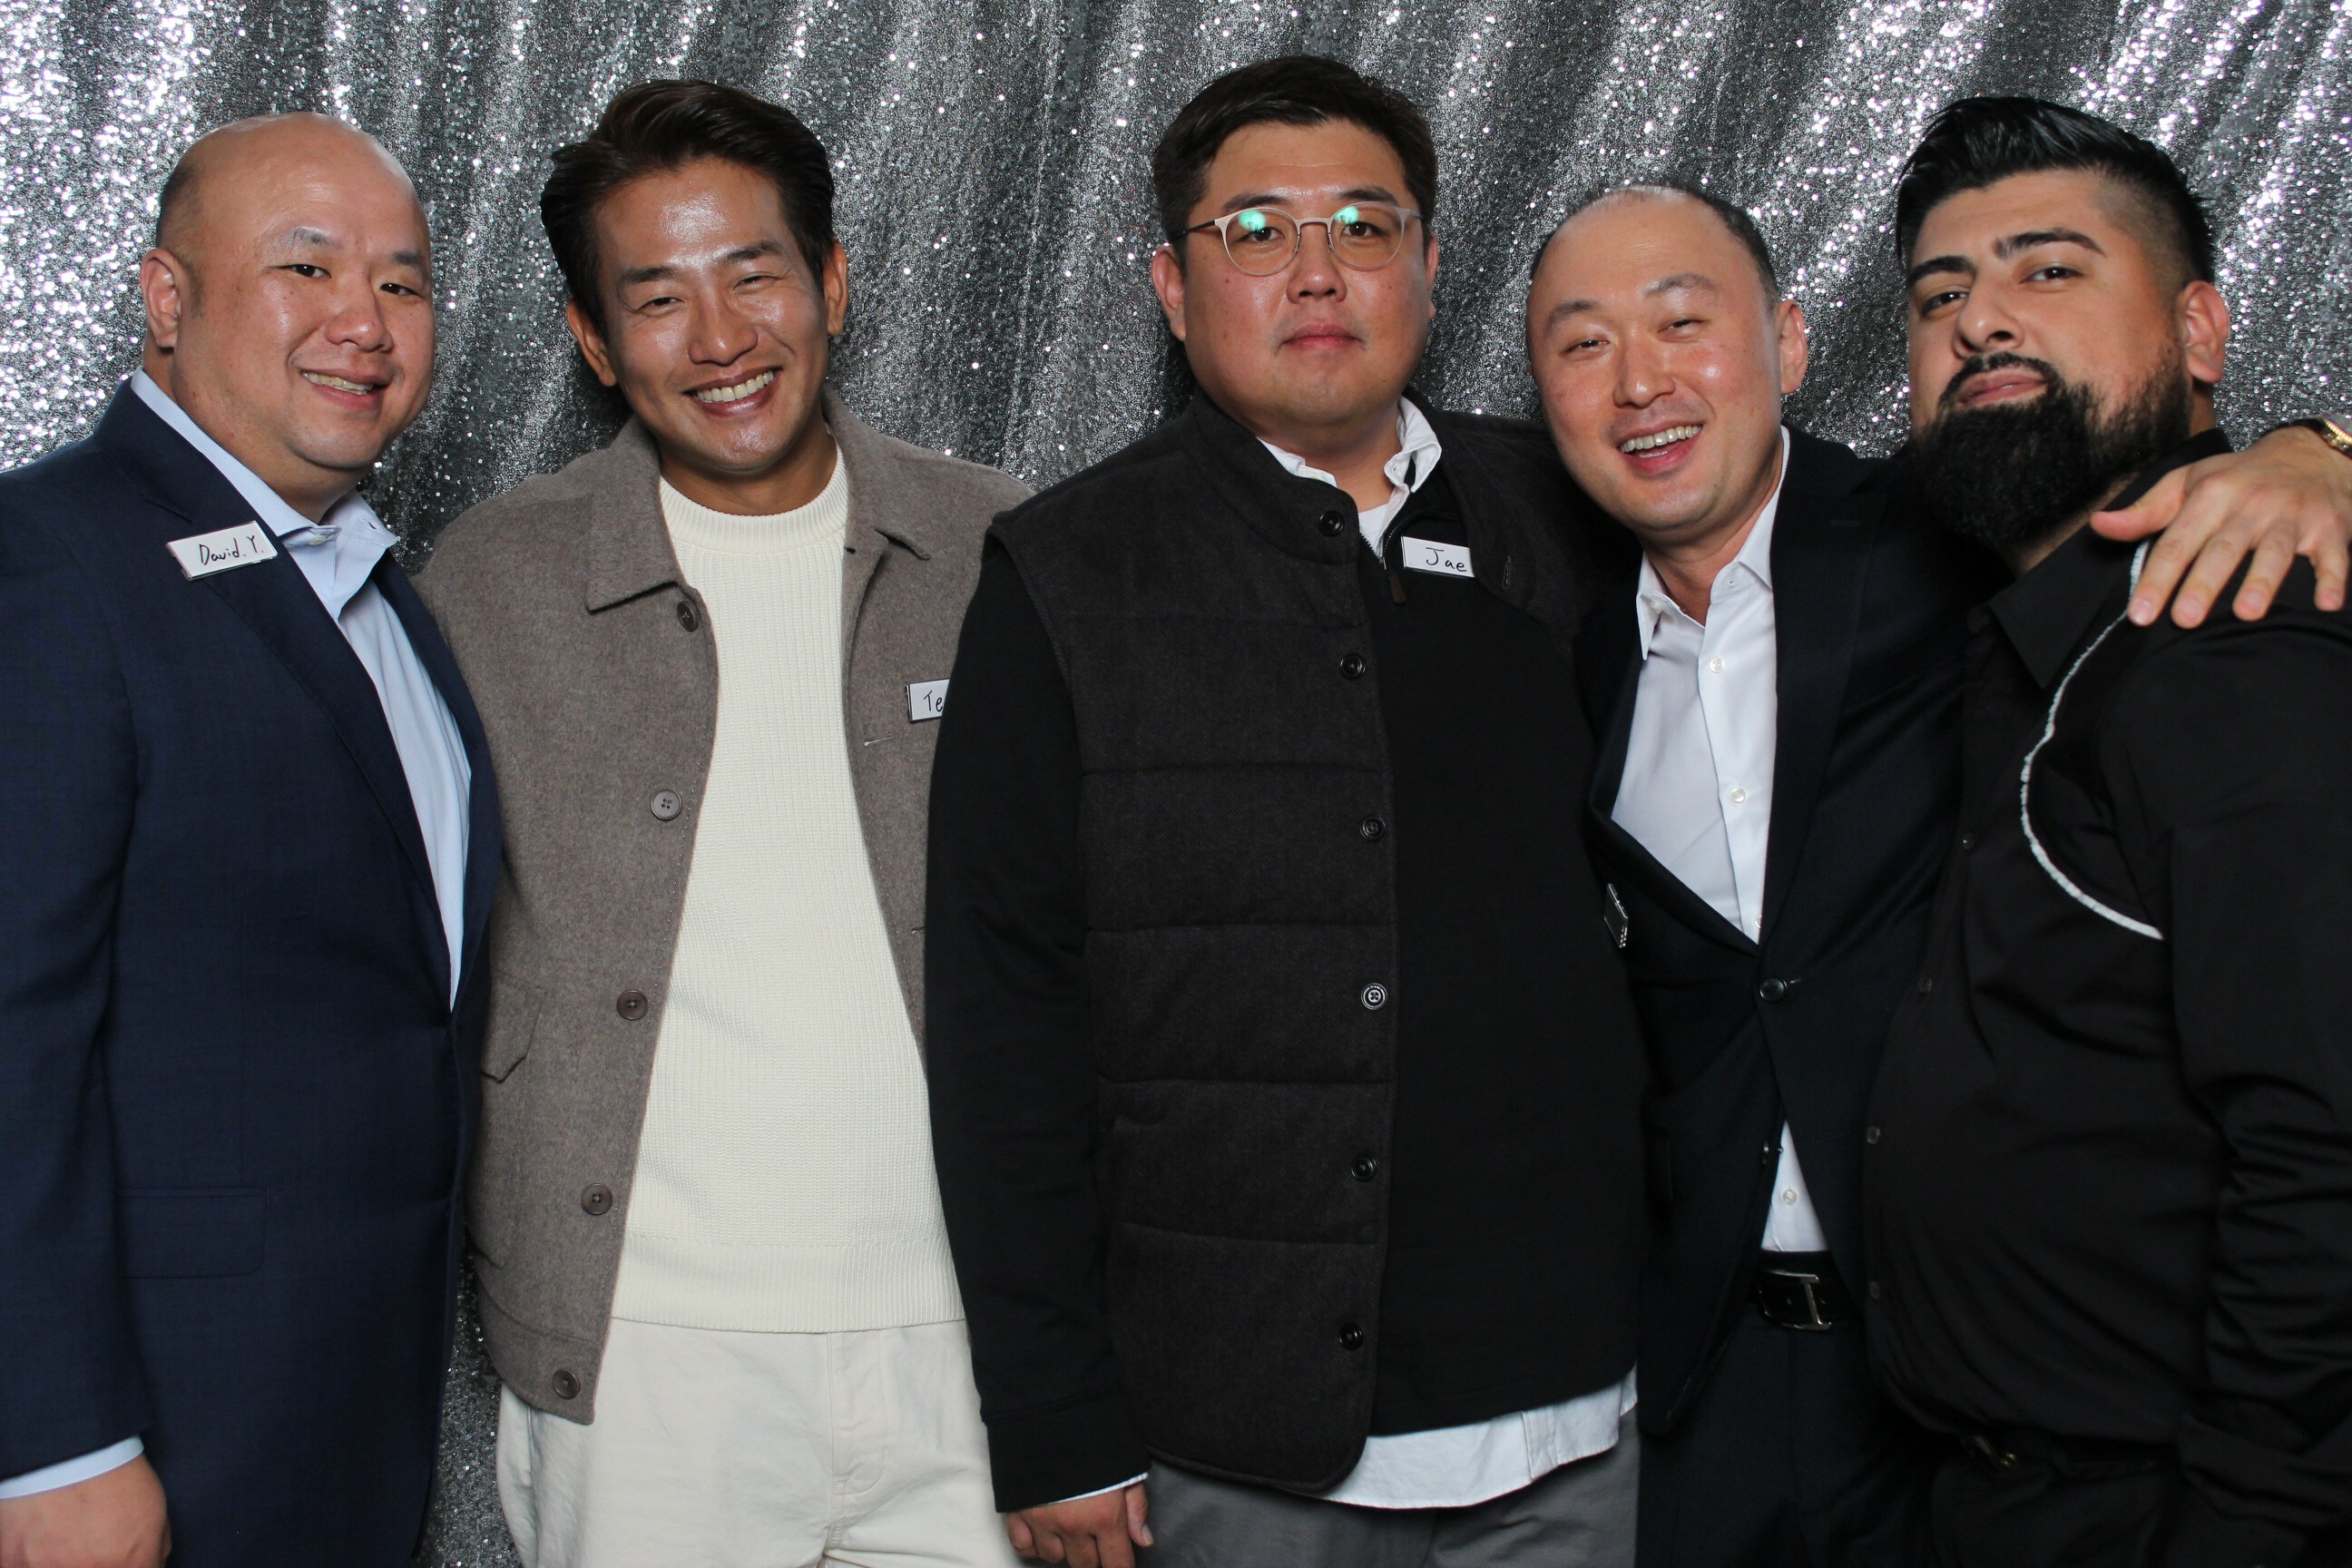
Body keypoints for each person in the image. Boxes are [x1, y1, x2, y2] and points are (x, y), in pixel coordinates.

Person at [1528, 176, 2352, 1567]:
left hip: (1958, 1398)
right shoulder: (1586, 645)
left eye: (1682, 321)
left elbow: (2130, 460)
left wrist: (2319, 449)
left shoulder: (1953, 528)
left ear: (1792, 343)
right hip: (1715, 1377)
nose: (1640, 381)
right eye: (1583, 342)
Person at [926, 54, 1647, 1568]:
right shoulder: (1067, 573)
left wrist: (2217, 476)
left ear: (1431, 267)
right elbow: (1003, 1025)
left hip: (1573, 1407)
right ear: (1172, 289)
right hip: (1237, 1432)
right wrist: (1053, 1418)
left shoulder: (1572, 513)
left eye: (1365, 228)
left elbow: (1803, 528)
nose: (1317, 271)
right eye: (1255, 231)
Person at [415, 80, 1030, 1568]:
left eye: (755, 275)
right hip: (643, 1359)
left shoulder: (1002, 548)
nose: (720, 337)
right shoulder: (495, 582)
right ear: (592, 338)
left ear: (831, 284)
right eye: (657, 297)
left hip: (981, 1337)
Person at [0, 114, 496, 1567]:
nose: (365, 321)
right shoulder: (48, 561)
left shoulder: (382, 593)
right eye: (307, 267)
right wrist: (51, 1441)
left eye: (402, 282)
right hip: (150, 1425)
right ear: (167, 300)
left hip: (349, 1404)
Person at [1862, 95, 2352, 1567]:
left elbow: (2328, 1150)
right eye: (1939, 295)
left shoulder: (2233, 639)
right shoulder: (2031, 638)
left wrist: (2249, 1529)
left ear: (2201, 332)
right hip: (1998, 1497)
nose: (1979, 320)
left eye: (2050, 269)